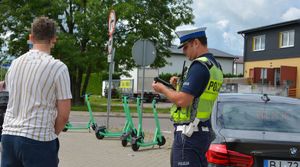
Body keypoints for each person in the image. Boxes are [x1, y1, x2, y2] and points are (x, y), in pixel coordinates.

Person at [1, 16, 72, 167]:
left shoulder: (14, 64)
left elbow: (7, 89)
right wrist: (51, 134)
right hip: (38, 139)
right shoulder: (58, 68)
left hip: (9, 136)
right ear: (54, 39)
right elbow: (64, 115)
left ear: (31, 37)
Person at [152, 27, 223, 167]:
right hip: (201, 132)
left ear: (196, 43)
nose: (183, 52)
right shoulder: (215, 66)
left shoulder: (199, 65)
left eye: (185, 47)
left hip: (189, 135)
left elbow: (182, 101)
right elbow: (198, 94)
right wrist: (179, 84)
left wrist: (162, 89)